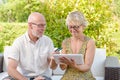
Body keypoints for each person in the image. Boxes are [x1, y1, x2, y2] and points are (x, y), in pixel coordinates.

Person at [3, 12, 57, 80]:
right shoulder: (19, 42)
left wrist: (54, 60)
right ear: (30, 25)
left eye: (44, 25)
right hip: (23, 78)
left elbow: (53, 67)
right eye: (40, 25)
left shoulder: (48, 41)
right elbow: (11, 69)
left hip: (42, 77)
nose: (43, 28)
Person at [59, 11, 96, 80]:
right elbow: (63, 68)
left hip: (84, 77)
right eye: (70, 27)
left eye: (76, 27)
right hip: (67, 77)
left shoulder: (90, 42)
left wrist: (75, 65)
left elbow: (87, 67)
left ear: (83, 26)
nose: (73, 30)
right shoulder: (65, 42)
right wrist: (60, 60)